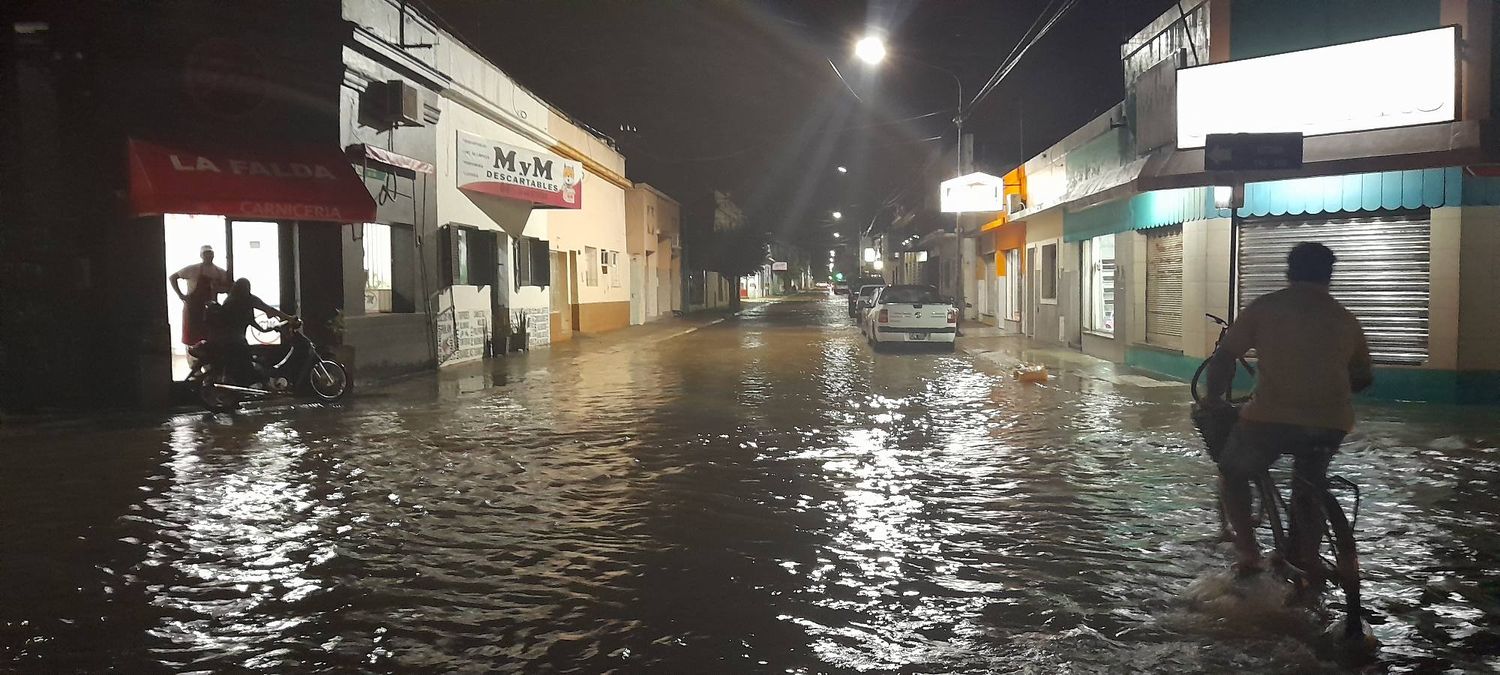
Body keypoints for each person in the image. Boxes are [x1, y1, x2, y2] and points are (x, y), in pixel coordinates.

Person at [1203, 242, 1373, 579]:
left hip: (1269, 419)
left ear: (1288, 272)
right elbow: (1363, 379)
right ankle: (1306, 555)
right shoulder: (1345, 319)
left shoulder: (1265, 308)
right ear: (1329, 276)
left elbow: (1223, 359)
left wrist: (1213, 399)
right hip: (1331, 423)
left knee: (1233, 472)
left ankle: (1250, 554)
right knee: (1310, 480)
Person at [209, 278, 295, 385]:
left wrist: (268, 329)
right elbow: (268, 309)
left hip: (225, 341)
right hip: (237, 341)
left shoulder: (229, 300)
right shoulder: (248, 300)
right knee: (250, 370)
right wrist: (289, 318)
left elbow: (253, 322)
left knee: (246, 366)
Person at [169, 245, 230, 346]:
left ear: (213, 255)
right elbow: (173, 277)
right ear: (201, 255)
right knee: (192, 336)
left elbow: (228, 288)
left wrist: (218, 289)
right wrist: (181, 295)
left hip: (211, 309)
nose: (208, 256)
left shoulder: (220, 272)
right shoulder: (193, 269)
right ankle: (192, 355)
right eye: (206, 254)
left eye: (210, 254)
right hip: (193, 307)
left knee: (210, 335)